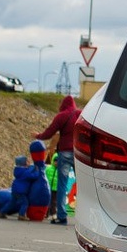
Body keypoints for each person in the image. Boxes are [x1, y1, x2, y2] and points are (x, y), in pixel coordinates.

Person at [34, 95, 80, 225]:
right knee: (82, 187)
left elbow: (49, 132)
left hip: (64, 152)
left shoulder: (61, 116)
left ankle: (61, 216)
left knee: (62, 185)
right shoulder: (80, 115)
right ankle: (84, 218)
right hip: (78, 153)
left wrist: (38, 136)